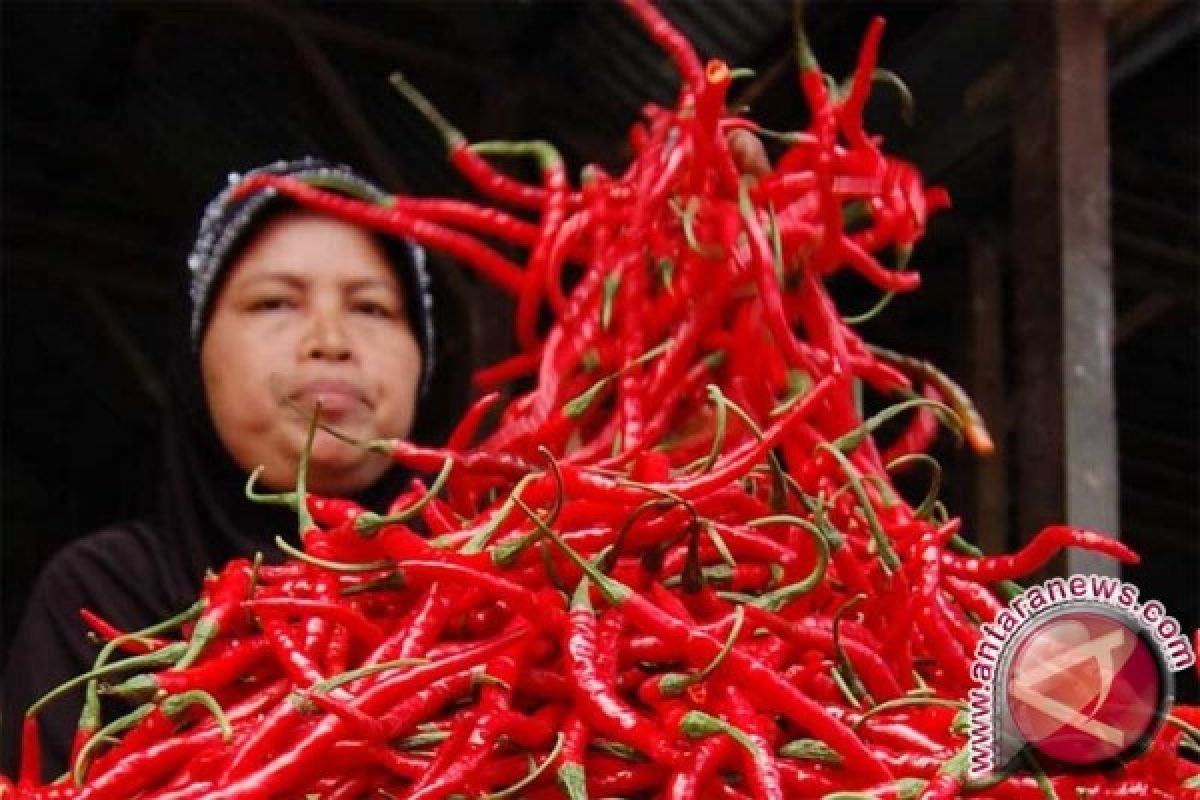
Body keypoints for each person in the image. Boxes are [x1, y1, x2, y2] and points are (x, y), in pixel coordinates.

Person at [0, 158, 470, 780]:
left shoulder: (492, 593)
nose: (329, 338)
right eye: (275, 302)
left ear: (424, 365)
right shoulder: (108, 595)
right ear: (198, 361)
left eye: (373, 308)